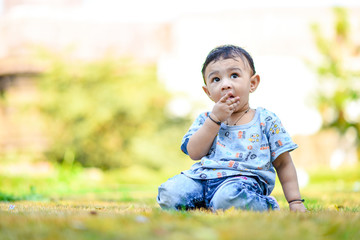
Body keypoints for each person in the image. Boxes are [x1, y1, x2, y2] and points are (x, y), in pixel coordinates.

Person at [157, 45, 307, 212]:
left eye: (234, 75)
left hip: (241, 183)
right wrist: (215, 119)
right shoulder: (206, 119)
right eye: (216, 79)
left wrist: (295, 201)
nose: (225, 84)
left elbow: (284, 163)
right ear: (208, 92)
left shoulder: (266, 120)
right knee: (169, 193)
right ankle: (212, 205)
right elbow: (194, 153)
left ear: (252, 83)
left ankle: (265, 206)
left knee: (228, 196)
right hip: (203, 179)